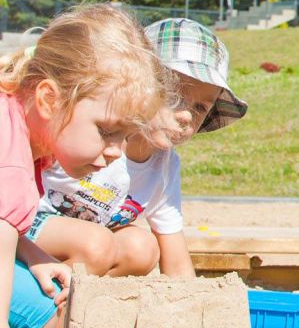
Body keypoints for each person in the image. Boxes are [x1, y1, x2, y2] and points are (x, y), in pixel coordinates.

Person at [0, 4, 168, 328]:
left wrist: (32, 253)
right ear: (49, 99)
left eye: (125, 136)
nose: (117, 152)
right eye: (106, 131)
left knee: (41, 297)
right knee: (42, 311)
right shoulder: (10, 162)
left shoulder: (22, 127)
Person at [28, 18, 247, 278]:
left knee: (142, 248)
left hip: (87, 247)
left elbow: (176, 258)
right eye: (174, 96)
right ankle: (39, 297)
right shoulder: (91, 134)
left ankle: (77, 297)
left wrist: (190, 301)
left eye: (200, 107)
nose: (186, 115)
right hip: (27, 228)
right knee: (96, 243)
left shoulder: (164, 167)